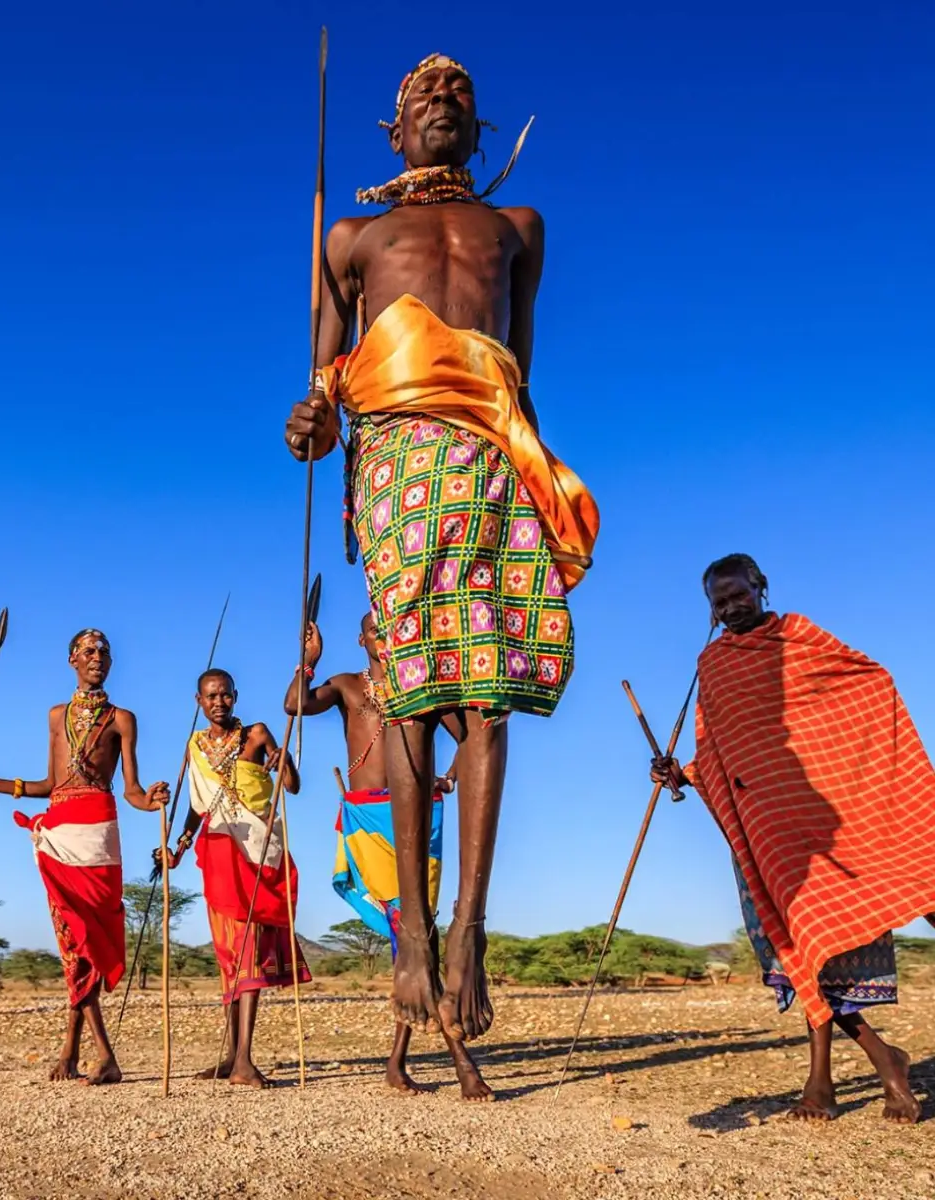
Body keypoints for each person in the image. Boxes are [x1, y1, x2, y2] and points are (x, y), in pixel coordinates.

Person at [284, 53, 599, 1043]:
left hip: (495, 457)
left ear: (479, 126)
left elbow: (518, 369)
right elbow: (326, 387)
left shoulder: (519, 230)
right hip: (399, 461)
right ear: (391, 130)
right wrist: (309, 426)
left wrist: (541, 476)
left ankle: (469, 924)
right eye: (423, 94)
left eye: (458, 93)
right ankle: (412, 930)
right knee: (416, 684)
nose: (442, 101)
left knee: (488, 689)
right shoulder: (351, 235)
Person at [652, 554, 935, 1123]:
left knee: (821, 937)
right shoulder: (712, 664)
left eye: (737, 594)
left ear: (761, 586)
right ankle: (851, 1072)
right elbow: (719, 752)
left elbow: (868, 682)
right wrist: (678, 771)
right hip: (766, 834)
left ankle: (845, 1077)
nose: (730, 607)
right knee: (798, 946)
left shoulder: (799, 637)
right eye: (718, 602)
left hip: (829, 824)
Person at [284, 611, 493, 1099]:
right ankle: (458, 1062)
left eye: (394, 629)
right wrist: (308, 660)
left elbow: (471, 735)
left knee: (418, 937)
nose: (386, 639)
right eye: (378, 631)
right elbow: (295, 704)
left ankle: (401, 1060)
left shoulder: (420, 686)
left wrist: (452, 778)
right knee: (411, 934)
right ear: (362, 639)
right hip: (369, 821)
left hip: (421, 817)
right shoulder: (347, 686)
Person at [0, 629, 168, 1085]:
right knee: (74, 942)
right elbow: (48, 785)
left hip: (99, 836)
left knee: (87, 941)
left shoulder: (122, 719)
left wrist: (151, 800)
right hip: (59, 832)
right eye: (90, 651)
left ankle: (84, 1053)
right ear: (72, 659)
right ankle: (89, 1052)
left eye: (105, 652)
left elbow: (131, 789)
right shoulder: (57, 717)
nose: (99, 658)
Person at [157, 668, 311, 1089]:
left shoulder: (258, 735)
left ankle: (244, 1059)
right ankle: (232, 1057)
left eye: (225, 695)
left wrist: (285, 761)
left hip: (257, 851)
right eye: (211, 696)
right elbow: (196, 806)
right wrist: (179, 847)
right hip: (218, 851)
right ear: (199, 702)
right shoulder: (194, 747)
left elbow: (292, 787)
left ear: (236, 696)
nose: (219, 702)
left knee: (249, 951)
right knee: (229, 956)